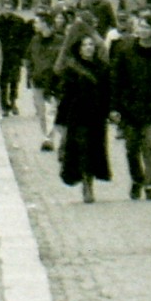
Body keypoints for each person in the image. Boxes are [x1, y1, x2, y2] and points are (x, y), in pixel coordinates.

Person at [107, 12, 151, 201]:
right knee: (131, 148)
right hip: (131, 107)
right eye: (140, 26)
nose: (142, 30)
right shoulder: (126, 51)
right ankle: (137, 179)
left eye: (146, 27)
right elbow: (116, 80)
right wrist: (114, 107)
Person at [52, 32, 113, 203]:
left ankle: (89, 180)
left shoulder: (102, 67)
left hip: (97, 116)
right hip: (77, 114)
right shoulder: (71, 68)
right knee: (82, 148)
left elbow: (108, 92)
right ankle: (86, 185)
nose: (88, 48)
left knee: (94, 150)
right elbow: (65, 95)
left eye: (91, 45)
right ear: (79, 49)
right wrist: (60, 119)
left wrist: (111, 111)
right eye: (85, 45)